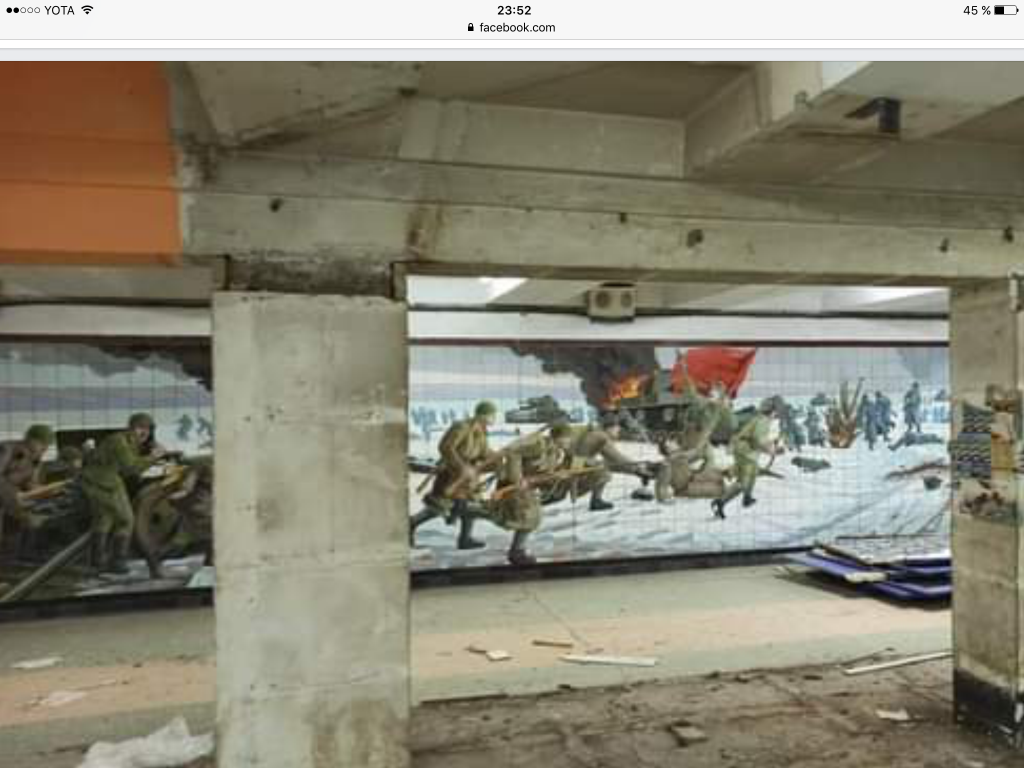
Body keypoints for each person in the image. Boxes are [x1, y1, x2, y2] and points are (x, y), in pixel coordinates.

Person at [81, 413, 166, 574]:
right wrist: (153, 457)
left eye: (147, 429)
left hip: (95, 479)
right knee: (126, 520)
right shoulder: (119, 441)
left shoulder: (126, 441)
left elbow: (129, 466)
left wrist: (148, 457)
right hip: (105, 482)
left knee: (104, 519)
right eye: (140, 428)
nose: (144, 433)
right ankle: (117, 562)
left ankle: (97, 562)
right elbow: (131, 468)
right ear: (131, 428)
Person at [410, 401, 499, 550]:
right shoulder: (462, 427)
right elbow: (446, 447)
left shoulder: (481, 430)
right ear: (483, 415)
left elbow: (484, 451)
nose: (494, 418)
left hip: (468, 478)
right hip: (451, 474)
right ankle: (411, 523)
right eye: (492, 415)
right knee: (439, 507)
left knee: (470, 506)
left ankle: (465, 539)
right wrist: (461, 467)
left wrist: (498, 458)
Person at [484, 423, 573, 565]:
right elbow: (514, 453)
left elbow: (543, 473)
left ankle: (516, 551)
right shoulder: (539, 446)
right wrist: (517, 479)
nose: (569, 441)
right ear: (558, 437)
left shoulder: (555, 453)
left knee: (529, 516)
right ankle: (516, 552)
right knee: (528, 516)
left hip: (527, 486)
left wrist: (557, 475)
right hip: (511, 485)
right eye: (567, 438)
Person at [656, 382, 733, 502]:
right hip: (689, 446)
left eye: (716, 392)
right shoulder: (703, 403)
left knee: (709, 474)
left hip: (698, 448)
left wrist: (724, 405)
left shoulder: (718, 410)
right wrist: (688, 382)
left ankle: (713, 482)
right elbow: (693, 395)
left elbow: (730, 422)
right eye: (712, 391)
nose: (712, 393)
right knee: (679, 466)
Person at [556, 412, 639, 511]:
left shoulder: (595, 432)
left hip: (573, 461)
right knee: (604, 471)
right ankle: (596, 501)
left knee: (602, 465)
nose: (619, 431)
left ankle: (593, 498)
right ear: (610, 428)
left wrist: (634, 469)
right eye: (617, 428)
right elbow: (616, 457)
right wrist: (637, 468)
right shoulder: (601, 437)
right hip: (576, 463)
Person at [712, 399, 779, 519]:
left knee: (753, 473)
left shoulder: (759, 419)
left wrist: (769, 445)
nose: (775, 414)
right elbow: (757, 440)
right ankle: (720, 502)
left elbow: (757, 438)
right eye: (774, 411)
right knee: (743, 482)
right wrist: (770, 450)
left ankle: (747, 498)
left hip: (746, 451)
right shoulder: (763, 421)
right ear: (771, 411)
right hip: (745, 452)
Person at [0, 425, 54, 554]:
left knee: (12, 540)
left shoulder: (35, 459)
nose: (45, 448)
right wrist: (19, 506)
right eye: (42, 443)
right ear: (31, 439)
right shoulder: (7, 449)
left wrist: (46, 492)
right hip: (7, 501)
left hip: (11, 507)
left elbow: (31, 484)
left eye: (47, 445)